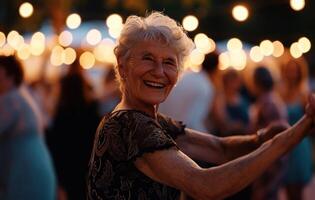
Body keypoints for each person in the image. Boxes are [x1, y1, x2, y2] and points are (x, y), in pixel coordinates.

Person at [87, 12, 315, 200]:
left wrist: (259, 139)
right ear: (123, 65)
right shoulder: (130, 125)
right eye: (147, 58)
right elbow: (205, 185)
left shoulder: (148, 120)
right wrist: (285, 140)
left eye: (169, 62)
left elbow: (220, 149)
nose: (159, 72)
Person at [0, 55, 56, 200]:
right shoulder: (21, 95)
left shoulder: (12, 99)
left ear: (7, 74)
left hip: (25, 172)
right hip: (32, 167)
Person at [47, 58, 100, 200]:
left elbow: (55, 138)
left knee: (71, 191)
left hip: (66, 157)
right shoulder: (90, 106)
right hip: (85, 155)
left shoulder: (62, 110)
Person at [250, 66, 288, 200]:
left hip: (269, 165)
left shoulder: (269, 103)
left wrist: (267, 183)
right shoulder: (269, 99)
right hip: (266, 162)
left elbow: (276, 139)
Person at [278, 56, 313, 200]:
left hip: (299, 145)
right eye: (289, 70)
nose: (291, 74)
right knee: (286, 188)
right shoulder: (280, 93)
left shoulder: (304, 95)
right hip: (284, 144)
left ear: (300, 73)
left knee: (296, 191)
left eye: (294, 71)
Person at [159, 52, 216, 132]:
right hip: (181, 135)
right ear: (216, 69)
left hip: (161, 126)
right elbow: (193, 121)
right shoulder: (206, 87)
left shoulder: (185, 76)